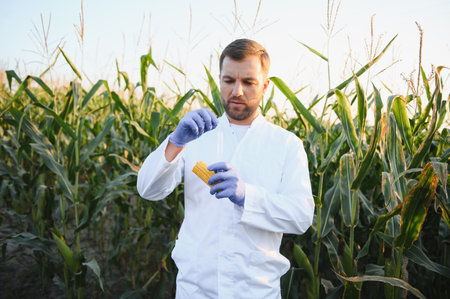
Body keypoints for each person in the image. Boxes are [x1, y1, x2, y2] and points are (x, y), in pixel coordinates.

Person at [137, 38, 314, 299]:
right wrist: (175, 142)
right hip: (195, 289)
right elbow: (148, 189)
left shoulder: (286, 144)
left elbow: (301, 217)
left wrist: (247, 196)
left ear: (265, 85)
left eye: (248, 82)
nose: (237, 91)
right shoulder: (195, 135)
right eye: (229, 81)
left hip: (256, 291)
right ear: (220, 80)